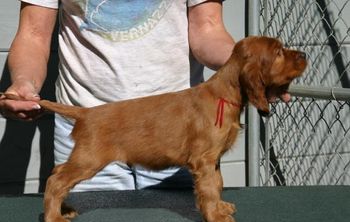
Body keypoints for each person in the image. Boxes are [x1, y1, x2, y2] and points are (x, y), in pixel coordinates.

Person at [0, 0, 290, 191]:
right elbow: (34, 33)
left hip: (177, 126)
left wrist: (250, 73)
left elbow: (207, 28)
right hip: (94, 121)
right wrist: (25, 82)